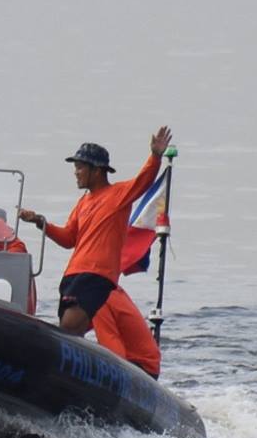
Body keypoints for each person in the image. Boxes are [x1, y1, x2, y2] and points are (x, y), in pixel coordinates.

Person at [20, 129, 172, 358]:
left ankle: (55, 364)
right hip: (72, 275)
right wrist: (41, 222)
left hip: (96, 275)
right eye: (75, 167)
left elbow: (143, 181)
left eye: (80, 167)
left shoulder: (118, 193)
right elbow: (68, 238)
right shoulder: (83, 202)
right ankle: (71, 371)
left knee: (69, 328)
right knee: (71, 331)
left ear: (97, 170)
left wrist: (155, 156)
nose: (76, 173)